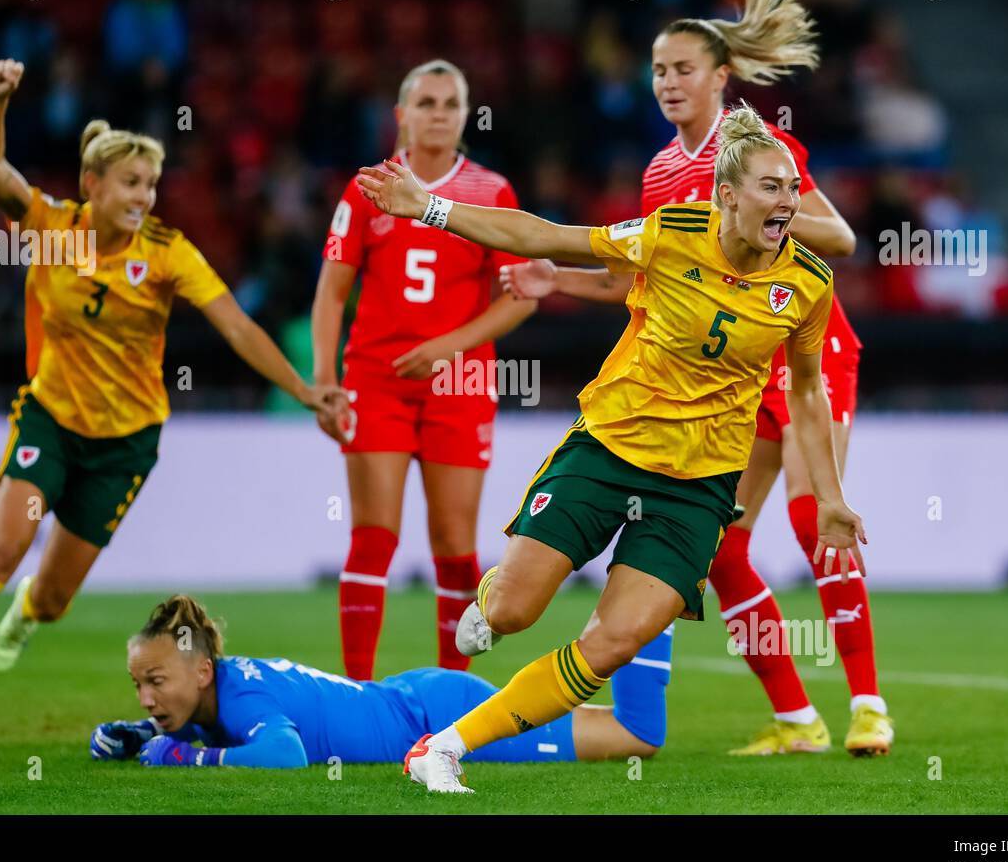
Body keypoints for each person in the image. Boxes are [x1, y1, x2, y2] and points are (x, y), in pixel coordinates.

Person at [357, 102, 868, 793]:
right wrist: (431, 209)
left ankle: (444, 748)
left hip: (697, 489)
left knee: (613, 642)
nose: (788, 203)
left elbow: (807, 393)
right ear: (727, 195)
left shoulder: (806, 282)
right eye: (771, 188)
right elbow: (549, 236)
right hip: (609, 450)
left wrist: (832, 496)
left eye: (792, 189)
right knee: (511, 611)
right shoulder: (671, 233)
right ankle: (489, 600)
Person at [0, 58, 349, 742]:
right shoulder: (52, 226)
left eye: (153, 184)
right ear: (93, 184)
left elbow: (238, 327)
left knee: (51, 596)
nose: (145, 196)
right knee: (3, 545)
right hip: (51, 418)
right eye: (132, 183)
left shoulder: (167, 252)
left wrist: (307, 391)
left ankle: (27, 614)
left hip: (125, 444)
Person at [502, 0, 890, 758]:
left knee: (816, 517)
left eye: (683, 68)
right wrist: (557, 280)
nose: (667, 82)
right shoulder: (656, 174)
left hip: (803, 349)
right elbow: (640, 286)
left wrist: (765, 210)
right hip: (733, 371)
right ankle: (797, 721)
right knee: (723, 548)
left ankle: (869, 705)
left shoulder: (754, 151)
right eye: (657, 70)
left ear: (721, 77)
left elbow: (843, 238)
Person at [312, 59, 543, 679]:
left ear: (464, 116)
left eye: (449, 104)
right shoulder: (368, 190)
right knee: (373, 536)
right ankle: (356, 689)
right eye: (426, 102)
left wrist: (450, 346)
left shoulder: (491, 192)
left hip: (459, 385)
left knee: (454, 547)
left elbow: (522, 295)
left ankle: (448, 699)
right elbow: (332, 292)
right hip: (377, 380)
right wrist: (325, 380)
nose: (438, 113)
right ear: (401, 116)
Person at [90, 594, 660, 769]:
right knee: (612, 729)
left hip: (441, 721)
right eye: (139, 685)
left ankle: (649, 600)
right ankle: (639, 602)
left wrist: (182, 759)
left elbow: (283, 755)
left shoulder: (241, 697)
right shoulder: (224, 691)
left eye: (156, 682)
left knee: (635, 737)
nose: (147, 697)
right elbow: (221, 730)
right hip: (418, 699)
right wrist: (144, 732)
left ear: (202, 671)